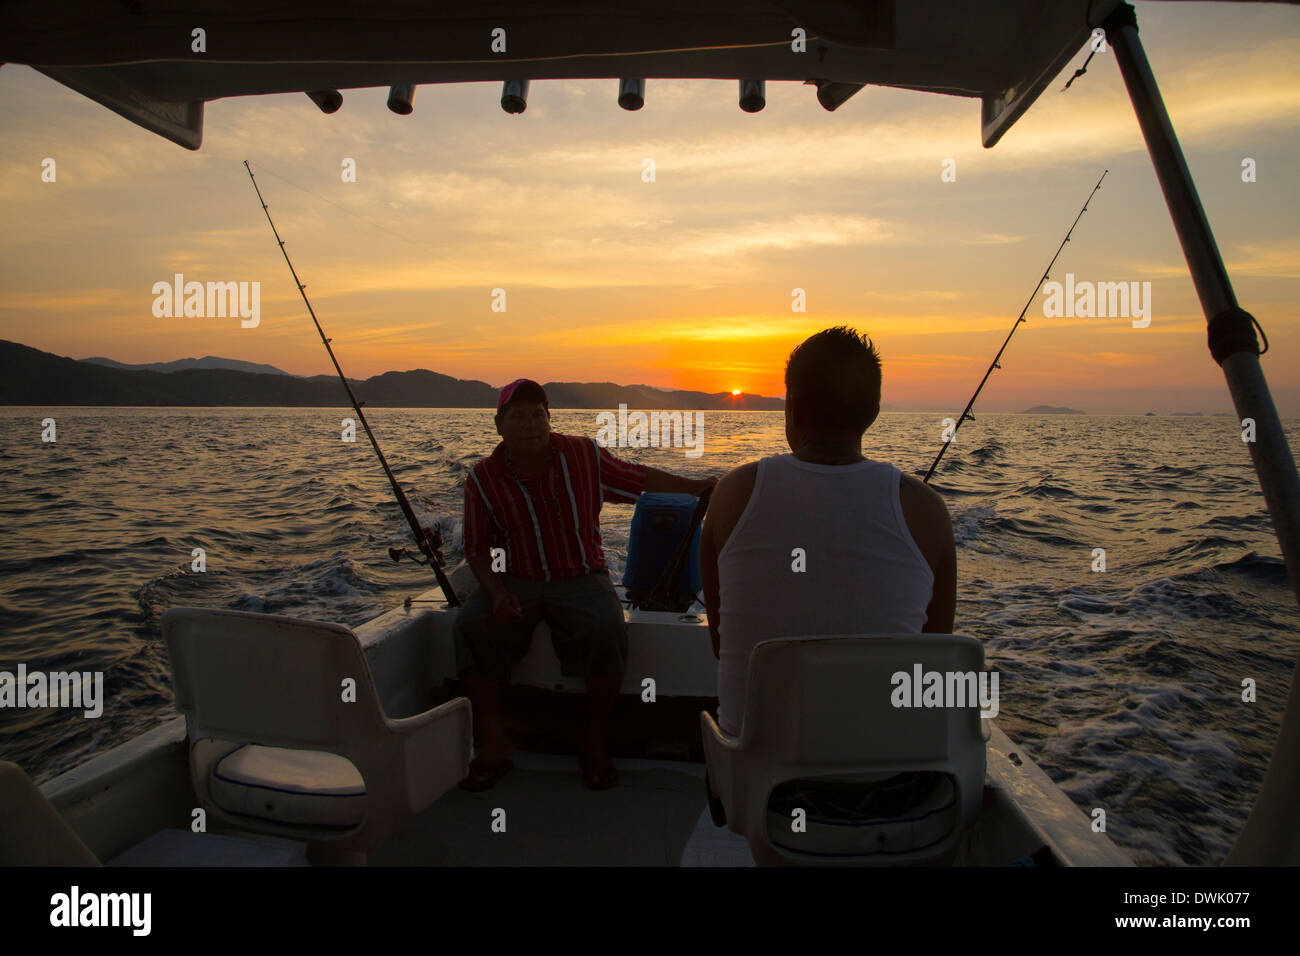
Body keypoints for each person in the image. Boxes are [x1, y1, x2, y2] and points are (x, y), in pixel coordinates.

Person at [455, 378, 715, 790]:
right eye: (519, 416)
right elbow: (476, 547)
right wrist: (497, 592)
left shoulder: (582, 455)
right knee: (471, 626)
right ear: (499, 425)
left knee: (608, 631)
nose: (531, 424)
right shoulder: (482, 478)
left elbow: (637, 479)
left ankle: (592, 739)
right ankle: (495, 740)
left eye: (538, 415)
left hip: (580, 574)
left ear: (550, 419)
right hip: (515, 578)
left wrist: (696, 487)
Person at [699, 327, 956, 737]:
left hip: (760, 787)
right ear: (872, 411)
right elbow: (934, 662)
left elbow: (721, 644)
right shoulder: (927, 509)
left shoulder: (733, 494)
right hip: (895, 782)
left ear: (793, 408)